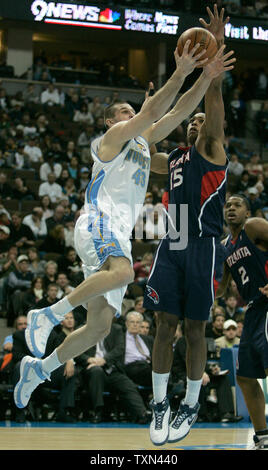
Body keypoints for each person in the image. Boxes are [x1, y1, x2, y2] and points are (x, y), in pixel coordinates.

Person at [13, 34, 234, 412]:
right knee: (124, 273)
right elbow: (151, 114)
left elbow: (178, 112)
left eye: (134, 113)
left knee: (99, 326)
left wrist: (207, 76)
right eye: (126, 112)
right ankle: (46, 314)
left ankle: (39, 368)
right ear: (111, 120)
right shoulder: (110, 140)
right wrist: (180, 71)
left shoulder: (144, 146)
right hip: (99, 221)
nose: (134, 115)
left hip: (118, 235)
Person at [142, 5, 235, 446]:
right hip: (171, 238)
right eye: (192, 120)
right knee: (164, 324)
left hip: (203, 243)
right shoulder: (174, 158)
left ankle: (191, 402)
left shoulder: (213, 148)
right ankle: (159, 404)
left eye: (200, 119)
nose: (196, 121)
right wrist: (143, 114)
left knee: (195, 329)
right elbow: (144, 148)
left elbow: (210, 105)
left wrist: (212, 63)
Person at [216, 193, 268, 449]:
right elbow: (220, 289)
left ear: (248, 212)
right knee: (246, 377)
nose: (231, 209)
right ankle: (263, 437)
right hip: (253, 310)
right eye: (227, 205)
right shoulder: (225, 245)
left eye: (237, 205)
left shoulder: (253, 226)